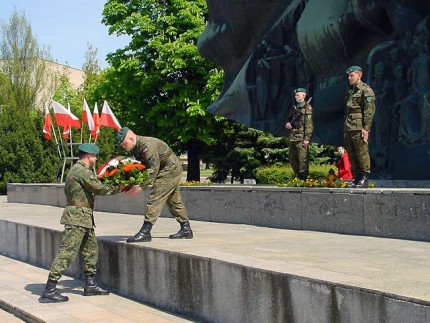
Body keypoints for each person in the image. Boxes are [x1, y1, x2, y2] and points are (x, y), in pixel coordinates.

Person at [41, 144, 121, 303]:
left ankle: (90, 285)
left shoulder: (78, 170)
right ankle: (49, 289)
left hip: (83, 217)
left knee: (90, 250)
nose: (96, 159)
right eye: (95, 156)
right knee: (67, 251)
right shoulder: (81, 170)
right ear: (89, 156)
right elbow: (98, 188)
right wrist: (120, 187)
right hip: (77, 217)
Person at [116, 127, 193, 243]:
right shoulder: (136, 148)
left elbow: (153, 167)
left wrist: (141, 186)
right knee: (174, 200)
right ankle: (186, 229)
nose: (123, 146)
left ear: (131, 138)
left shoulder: (147, 145)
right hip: (166, 169)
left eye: (123, 143)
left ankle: (145, 231)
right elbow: (140, 166)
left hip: (170, 169)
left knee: (155, 197)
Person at [344, 66, 376, 188]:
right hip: (349, 126)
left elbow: (369, 111)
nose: (349, 78)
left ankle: (364, 177)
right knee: (351, 153)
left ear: (359, 75)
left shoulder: (366, 90)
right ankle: (357, 176)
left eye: (352, 75)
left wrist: (366, 128)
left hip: (359, 126)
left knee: (361, 152)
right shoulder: (351, 91)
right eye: (348, 76)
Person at [285, 87, 313, 180]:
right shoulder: (294, 108)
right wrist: (288, 124)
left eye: (297, 95)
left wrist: (307, 138)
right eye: (295, 95)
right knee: (292, 159)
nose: (295, 96)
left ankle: (303, 177)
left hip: (301, 138)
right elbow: (289, 119)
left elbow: (309, 125)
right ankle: (298, 175)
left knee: (303, 159)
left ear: (303, 96)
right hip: (293, 137)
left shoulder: (307, 108)